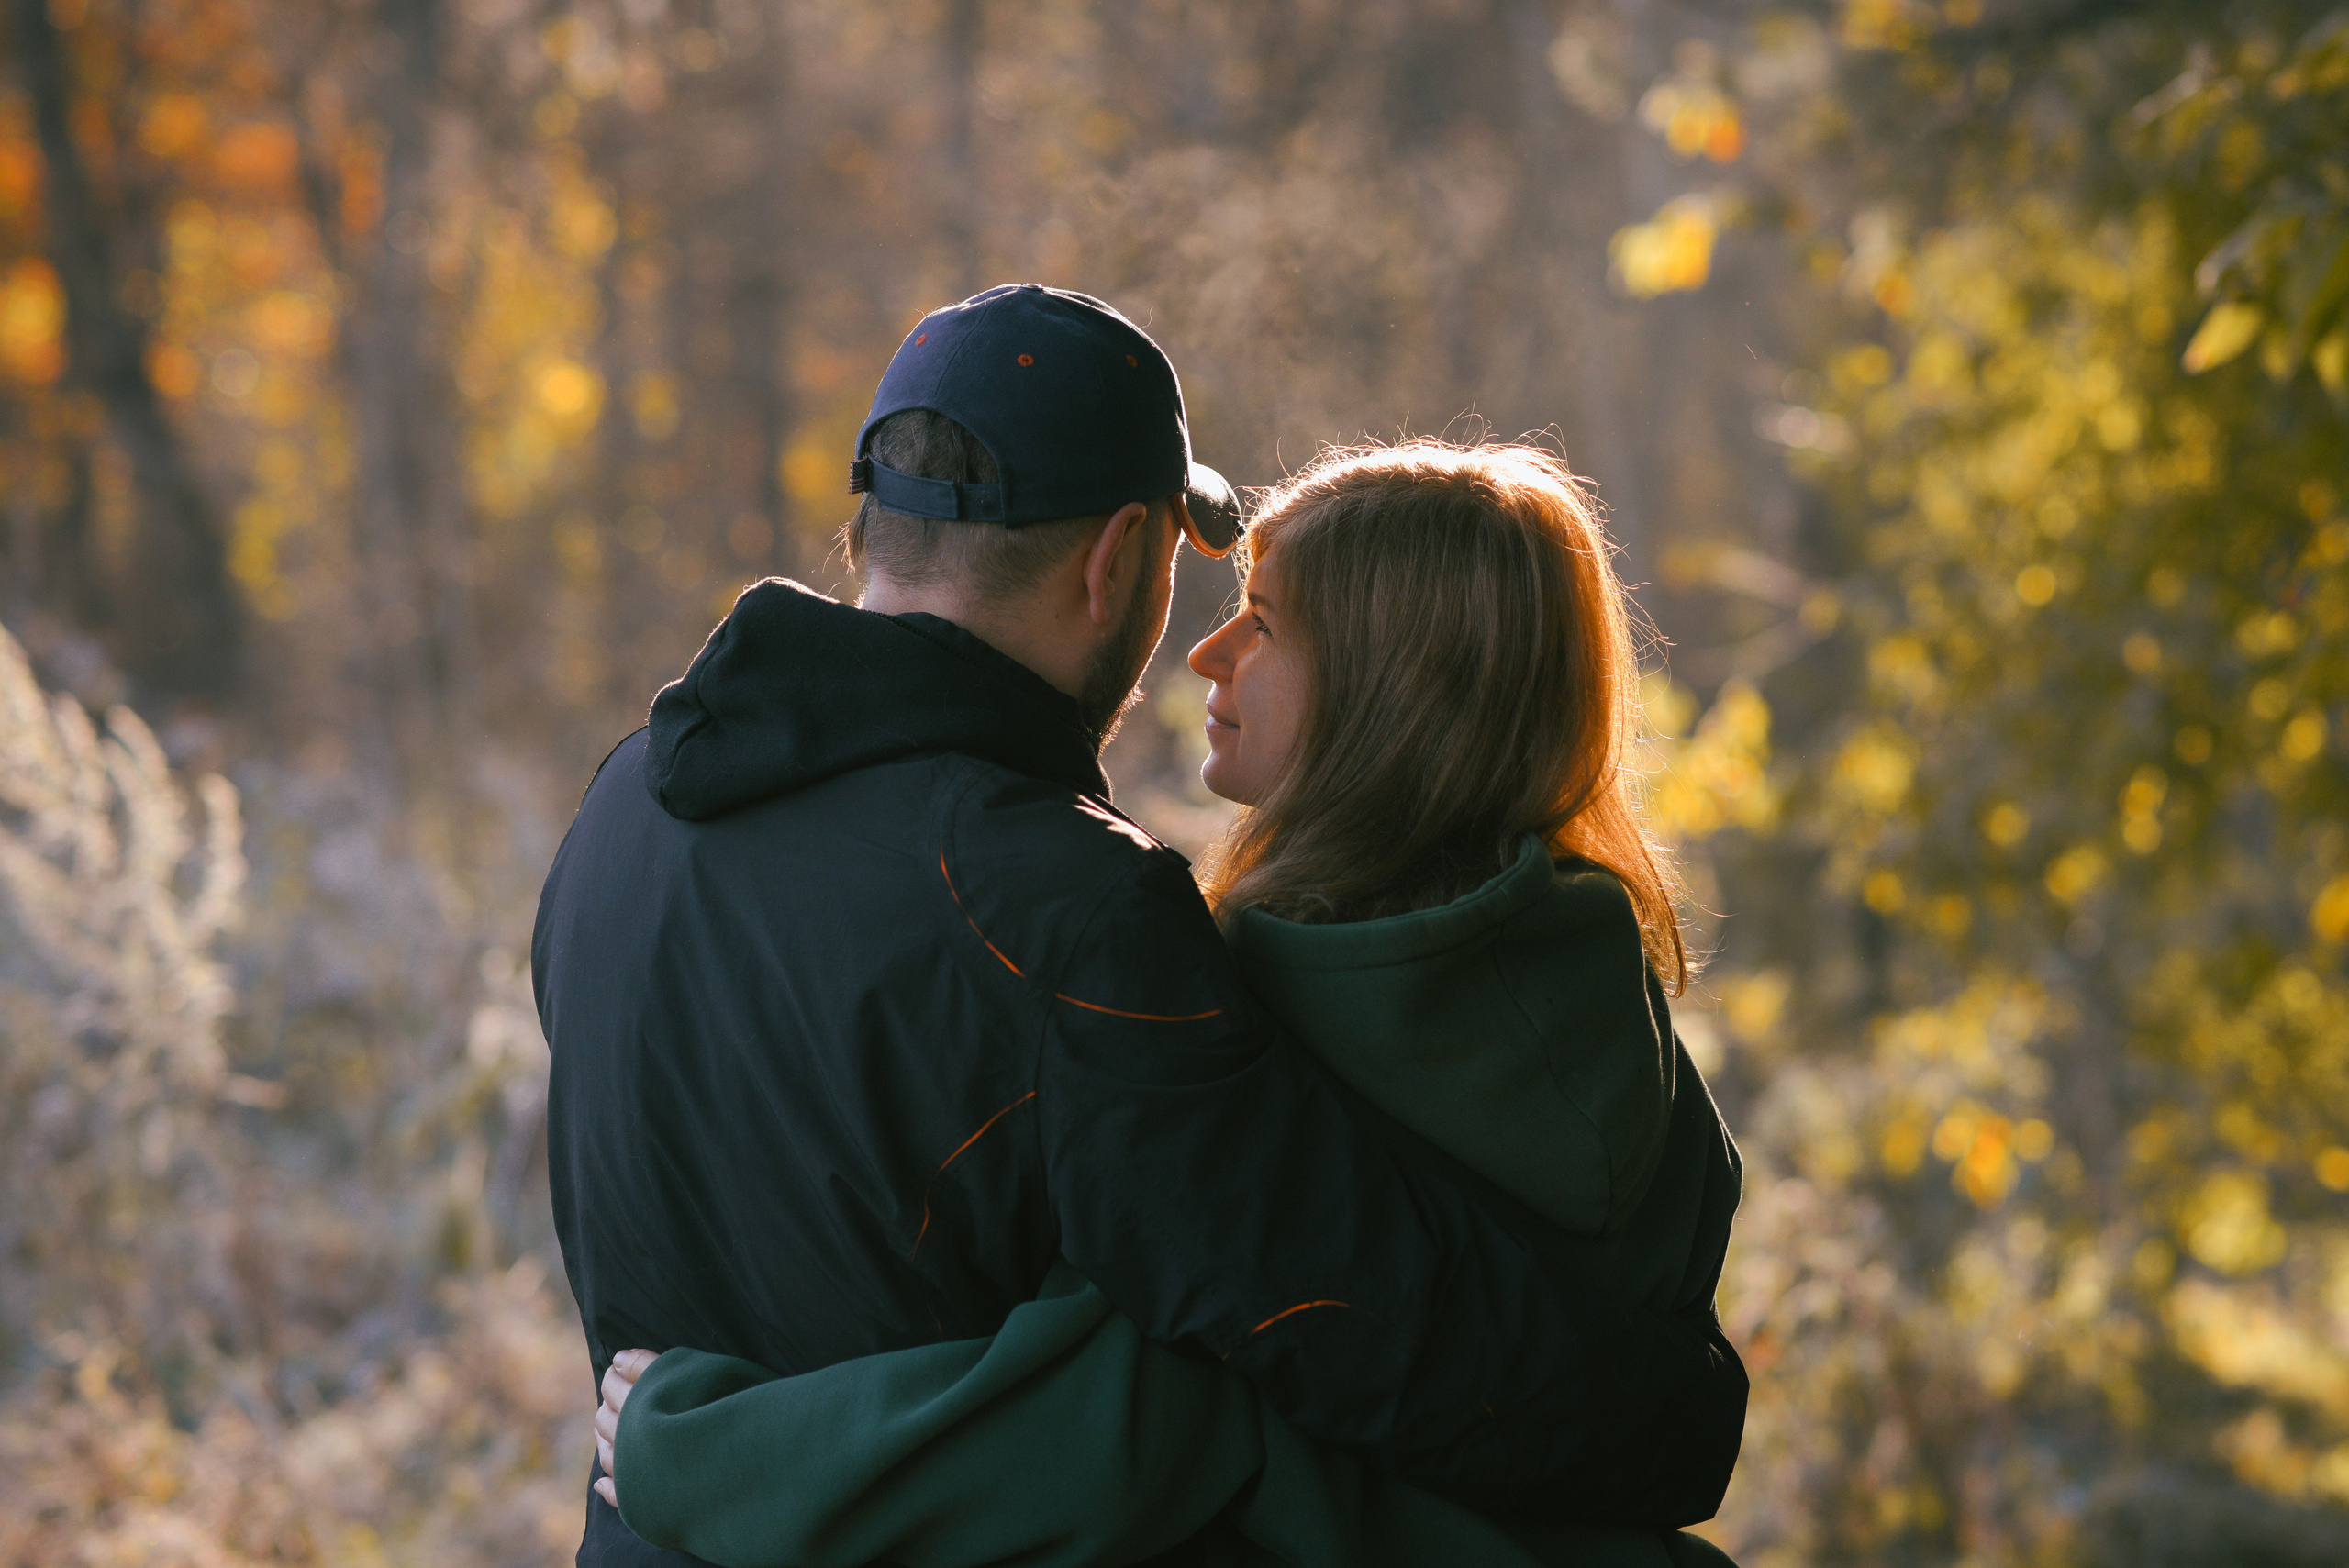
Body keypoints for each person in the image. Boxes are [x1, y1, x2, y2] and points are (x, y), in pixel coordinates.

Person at [534, 285, 1746, 1568]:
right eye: (1185, 565)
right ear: (1117, 561)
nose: (1205, 641)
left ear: (875, 525)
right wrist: (1683, 1417)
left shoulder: (624, 806)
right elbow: (1349, 1318)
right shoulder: (1068, 905)